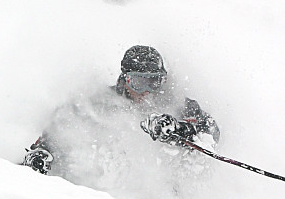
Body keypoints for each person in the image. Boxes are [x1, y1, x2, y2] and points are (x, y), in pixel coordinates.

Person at [20, 46, 219, 191]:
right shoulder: (99, 105)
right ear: (125, 79)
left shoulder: (178, 105)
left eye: (155, 82)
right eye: (139, 83)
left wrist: (180, 131)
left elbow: (211, 131)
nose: (148, 92)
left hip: (166, 197)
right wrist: (42, 152)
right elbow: (61, 128)